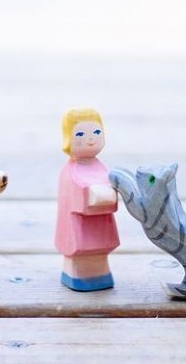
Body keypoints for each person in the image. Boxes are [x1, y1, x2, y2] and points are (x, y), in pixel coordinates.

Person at [54, 107, 120, 291]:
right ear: (68, 138)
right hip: (79, 226)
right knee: (80, 256)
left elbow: (109, 182)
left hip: (101, 224)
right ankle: (75, 277)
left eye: (97, 132)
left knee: (100, 253)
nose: (91, 139)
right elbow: (75, 191)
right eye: (80, 134)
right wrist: (93, 193)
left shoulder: (100, 166)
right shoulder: (70, 171)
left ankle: (102, 277)